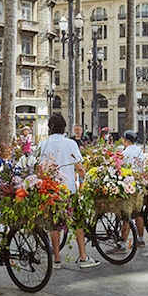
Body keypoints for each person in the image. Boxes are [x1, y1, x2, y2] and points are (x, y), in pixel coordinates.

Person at [37, 114, 99, 269]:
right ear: (64, 127)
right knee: (78, 223)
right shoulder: (70, 143)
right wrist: (85, 180)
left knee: (54, 225)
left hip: (51, 191)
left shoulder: (43, 145)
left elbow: (38, 170)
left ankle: (56, 260)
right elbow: (79, 168)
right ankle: (83, 257)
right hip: (69, 190)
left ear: (49, 128)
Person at [115, 130, 146, 250]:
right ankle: (141, 239)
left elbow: (120, 168)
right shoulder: (139, 151)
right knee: (138, 214)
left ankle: (123, 243)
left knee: (126, 215)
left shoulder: (125, 153)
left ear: (126, 140)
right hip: (139, 186)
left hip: (128, 187)